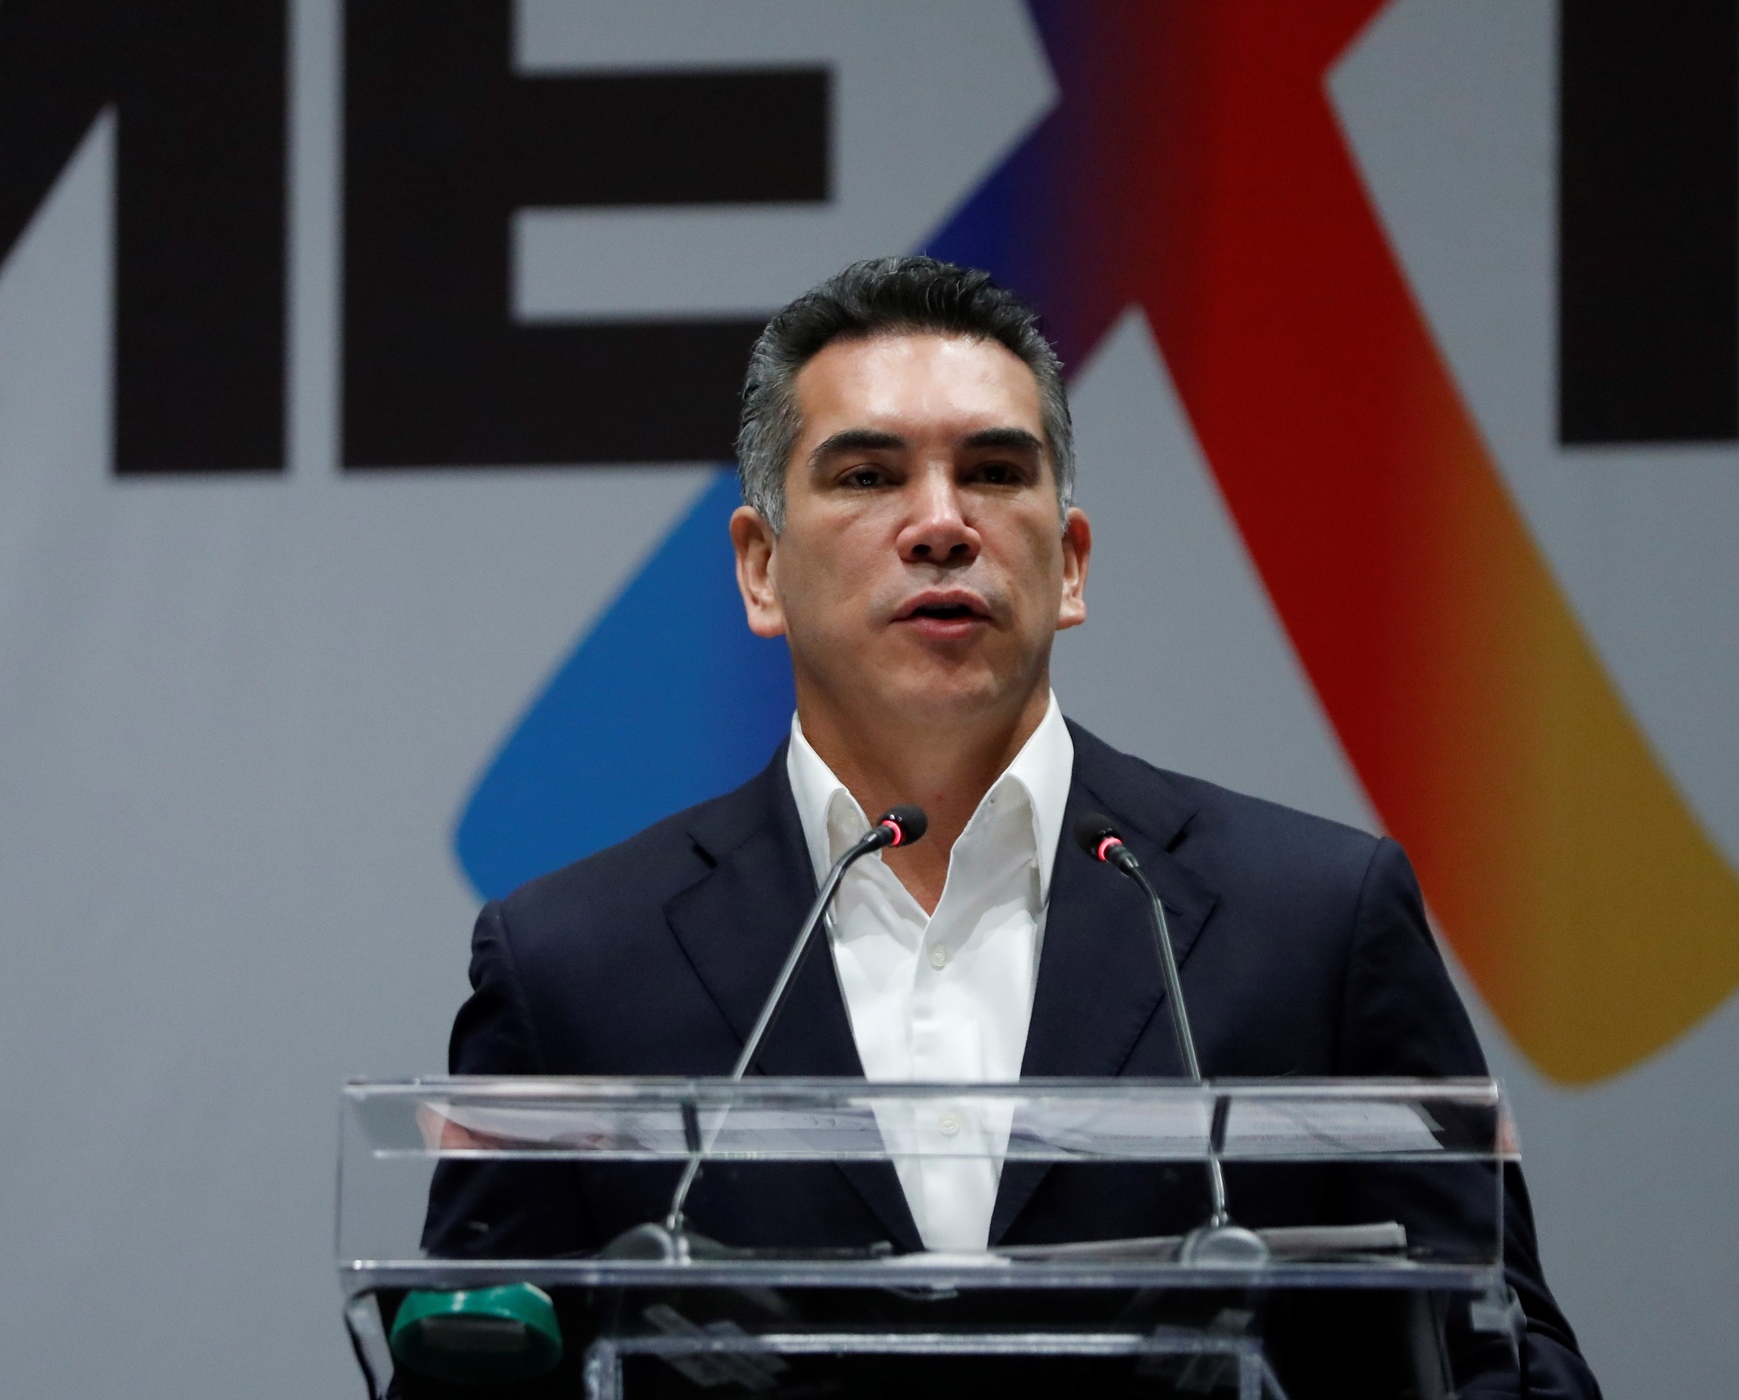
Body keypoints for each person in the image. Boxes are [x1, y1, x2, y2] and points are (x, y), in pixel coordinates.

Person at [426, 257, 1599, 1397]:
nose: (941, 523)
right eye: (867, 475)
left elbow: (1502, 1353)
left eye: (993, 471)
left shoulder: (1316, 923)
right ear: (761, 569)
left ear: (1071, 564)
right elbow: (465, 1368)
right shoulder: (575, 965)